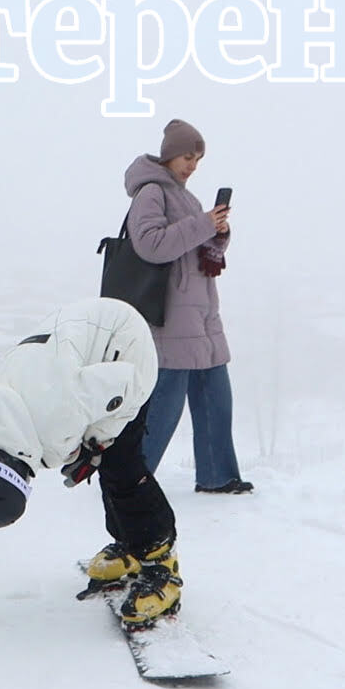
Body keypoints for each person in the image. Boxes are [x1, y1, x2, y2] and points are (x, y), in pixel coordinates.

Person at [0, 298, 183, 628]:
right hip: (83, 349)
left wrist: (98, 439)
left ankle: (159, 562)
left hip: (125, 342)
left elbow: (128, 381)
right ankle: (130, 544)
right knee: (106, 463)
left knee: (121, 464)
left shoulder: (59, 411)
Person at [124, 119, 251, 494]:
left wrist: (218, 234)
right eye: (187, 156)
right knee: (164, 406)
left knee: (216, 397)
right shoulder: (151, 192)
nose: (192, 164)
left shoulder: (188, 198)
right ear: (169, 156)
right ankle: (130, 480)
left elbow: (195, 251)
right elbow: (149, 244)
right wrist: (201, 224)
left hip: (201, 312)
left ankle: (218, 475)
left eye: (197, 158)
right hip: (172, 313)